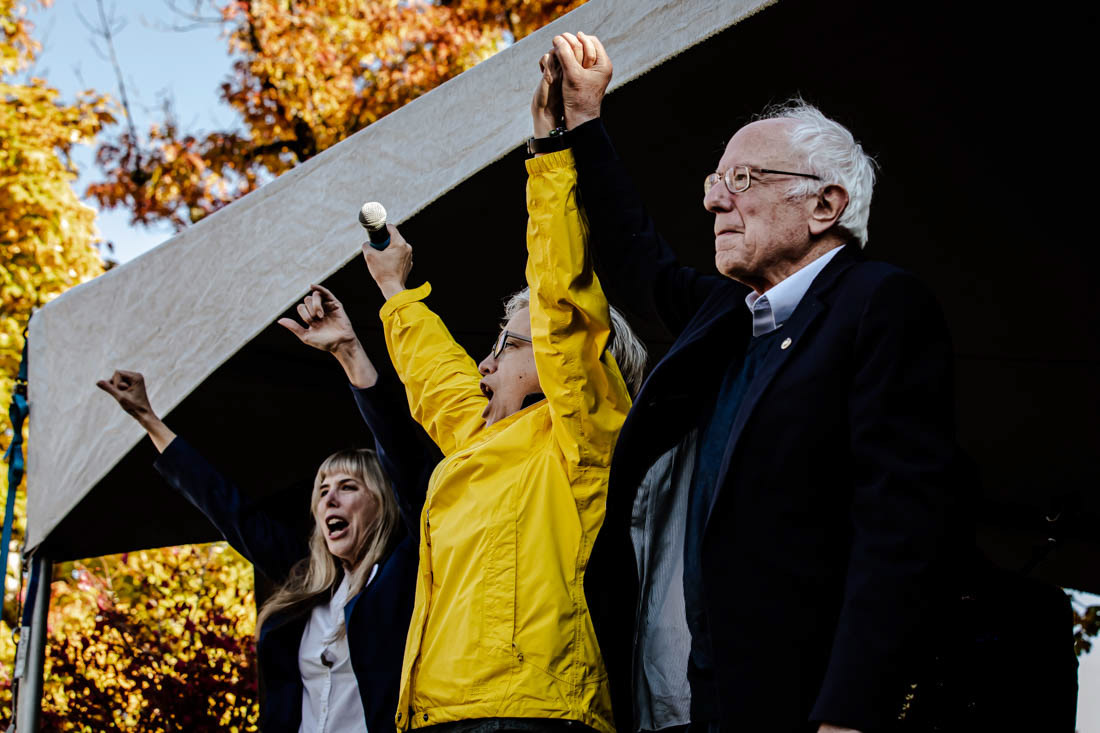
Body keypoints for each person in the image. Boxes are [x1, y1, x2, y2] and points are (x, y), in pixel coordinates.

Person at [537, 32, 973, 733]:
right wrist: (584, 121)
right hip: (693, 707)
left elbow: (901, 528)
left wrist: (850, 713)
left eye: (742, 181)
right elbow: (632, 253)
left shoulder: (879, 305)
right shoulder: (724, 315)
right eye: (714, 183)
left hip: (804, 707)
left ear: (825, 206)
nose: (714, 203)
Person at [353, 55, 647, 733]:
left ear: (556, 364)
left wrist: (549, 152)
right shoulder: (480, 438)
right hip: (433, 713)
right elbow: (435, 378)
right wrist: (394, 288)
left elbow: (563, 298)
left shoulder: (578, 440)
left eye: (506, 344)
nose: (484, 363)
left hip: (532, 715)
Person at [95, 284, 441, 733]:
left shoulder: (406, 570)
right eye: (322, 490)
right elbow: (228, 508)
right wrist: (149, 419)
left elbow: (402, 455)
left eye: (348, 486)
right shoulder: (309, 583)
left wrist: (349, 351)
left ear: (382, 501)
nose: (329, 498)